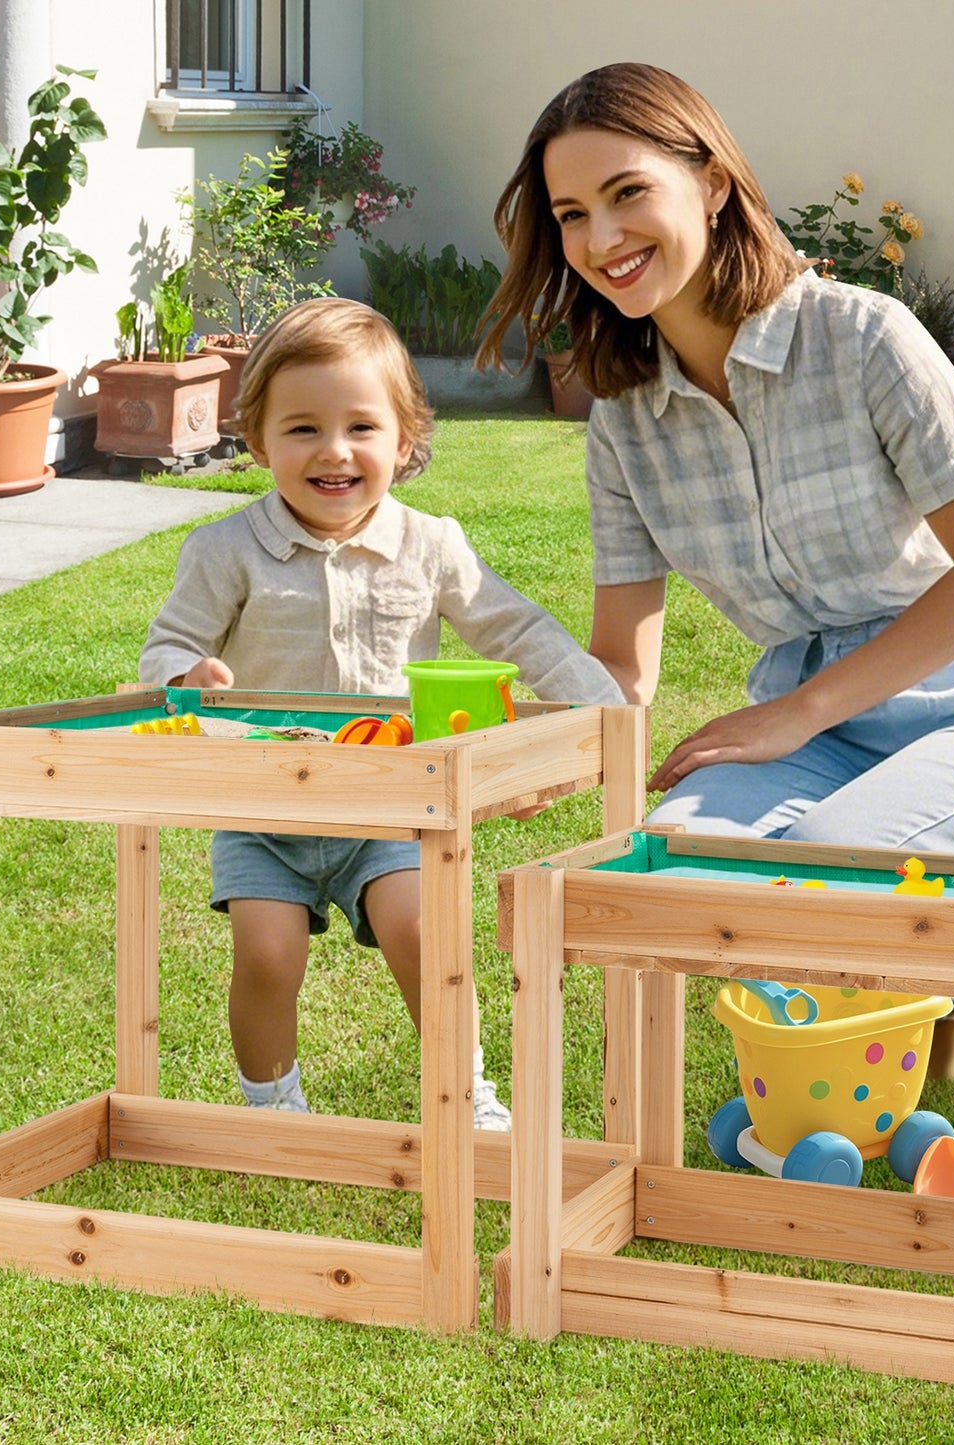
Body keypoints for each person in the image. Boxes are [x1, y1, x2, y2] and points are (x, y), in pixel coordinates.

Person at [478, 62, 954, 858]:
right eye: (572, 213)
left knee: (829, 859)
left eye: (627, 193)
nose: (600, 240)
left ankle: (910, 983)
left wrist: (801, 709)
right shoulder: (624, 428)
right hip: (815, 743)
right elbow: (621, 670)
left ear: (710, 184)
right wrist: (543, 753)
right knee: (669, 864)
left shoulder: (865, 340)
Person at [141, 297, 621, 1124]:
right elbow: (163, 650)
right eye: (301, 429)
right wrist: (188, 672)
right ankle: (272, 1103)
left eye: (361, 427)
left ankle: (465, 1092)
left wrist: (597, 705)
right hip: (263, 808)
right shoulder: (223, 551)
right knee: (265, 953)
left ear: (404, 440)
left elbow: (516, 625)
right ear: (256, 441)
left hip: (393, 807)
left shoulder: (429, 544)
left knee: (425, 937)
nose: (334, 451)